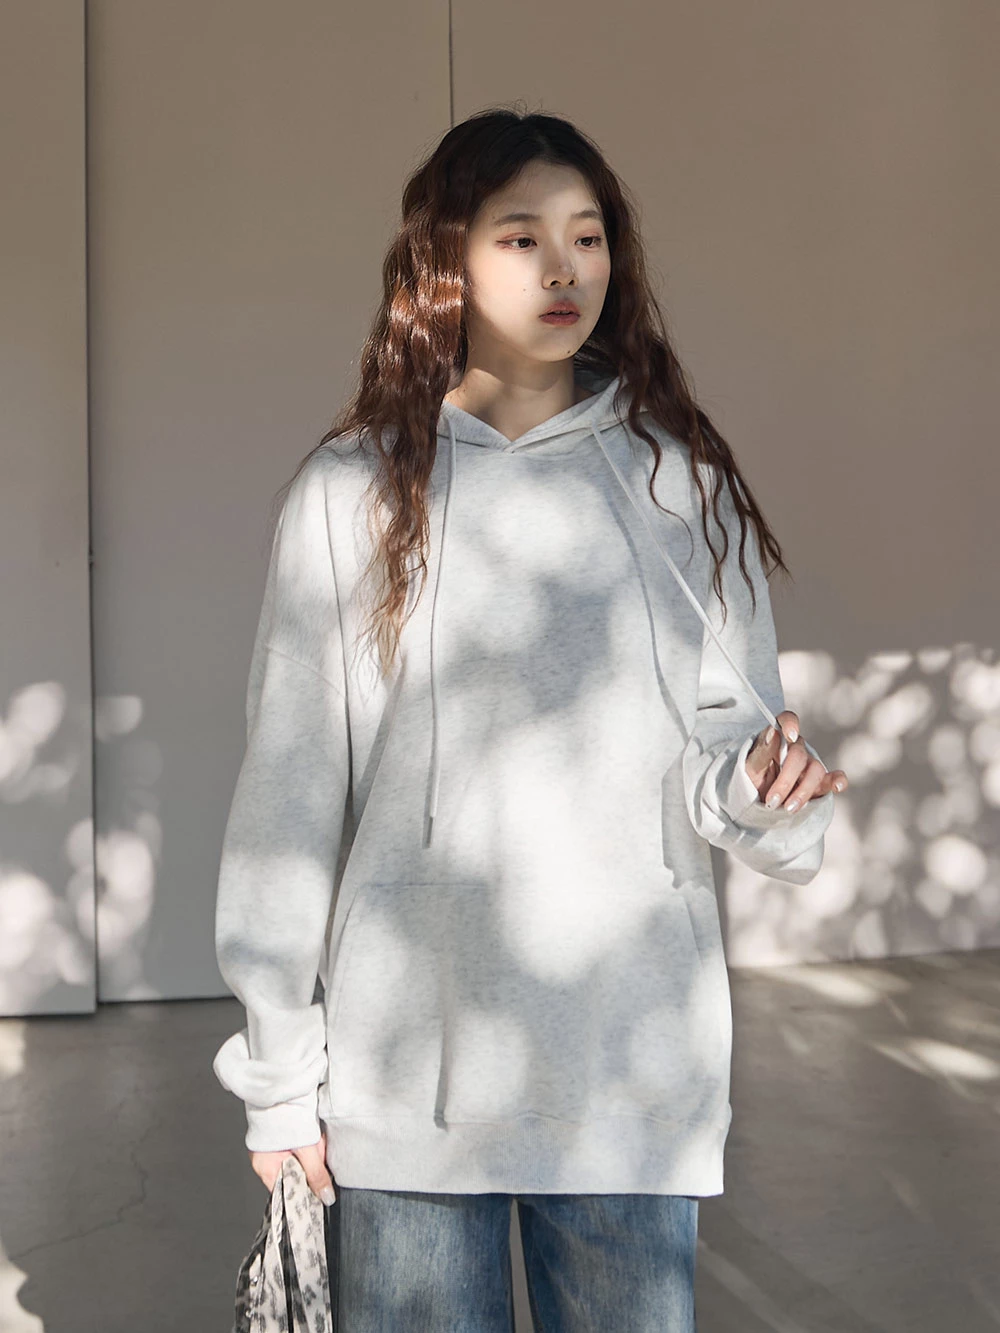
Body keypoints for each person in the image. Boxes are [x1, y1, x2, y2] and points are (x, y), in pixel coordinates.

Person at [212, 105, 849, 1331]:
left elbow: (729, 750)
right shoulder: (351, 493)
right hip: (410, 1075)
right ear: (443, 256)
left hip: (630, 1065)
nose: (566, 269)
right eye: (522, 238)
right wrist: (280, 1079)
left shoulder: (678, 482)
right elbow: (291, 797)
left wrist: (762, 789)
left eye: (587, 236)